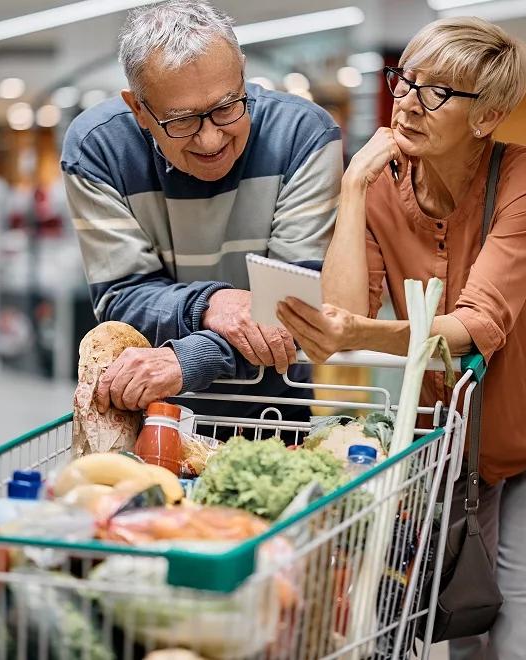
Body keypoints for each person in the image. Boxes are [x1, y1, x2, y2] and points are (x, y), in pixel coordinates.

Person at [276, 17, 526, 659]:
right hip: (456, 452)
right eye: (407, 81)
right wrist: (353, 187)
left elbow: (480, 328)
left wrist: (359, 333)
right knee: (462, 629)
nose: (407, 101)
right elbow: (343, 312)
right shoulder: (381, 193)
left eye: (438, 92)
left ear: (489, 114)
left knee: (518, 647)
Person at [61, 0, 342, 419]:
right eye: (181, 121)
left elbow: (294, 313)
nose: (211, 141)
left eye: (227, 107)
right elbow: (121, 296)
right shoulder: (97, 149)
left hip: (277, 413)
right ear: (138, 108)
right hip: (149, 412)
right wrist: (211, 304)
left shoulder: (304, 137)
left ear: (243, 74)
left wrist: (186, 360)